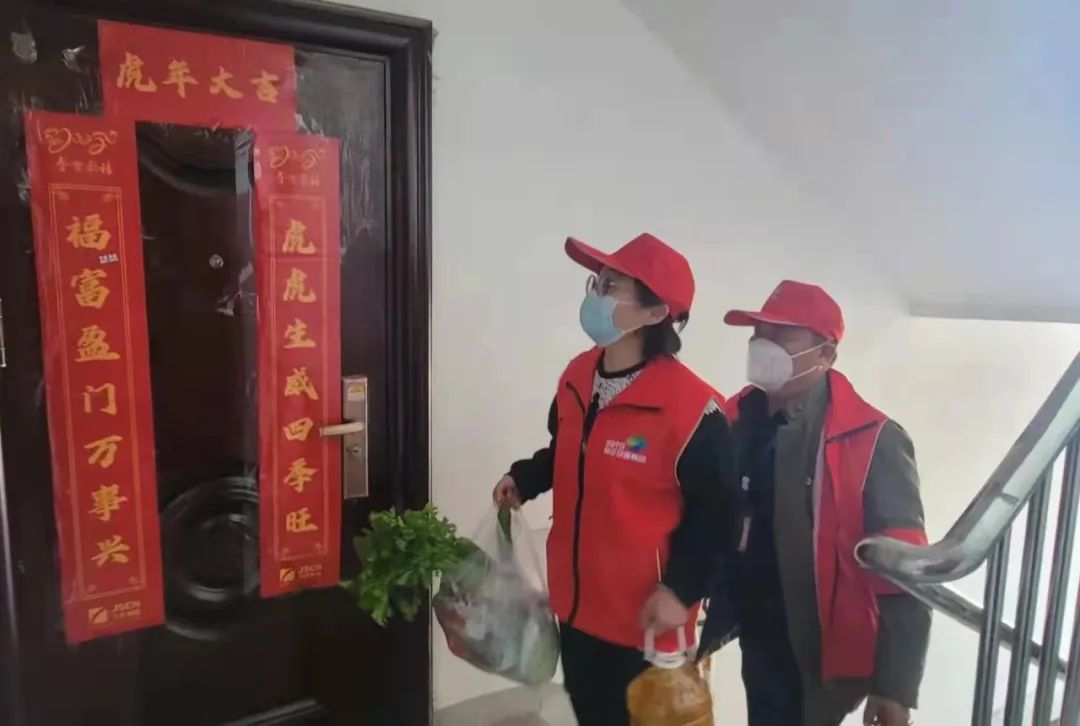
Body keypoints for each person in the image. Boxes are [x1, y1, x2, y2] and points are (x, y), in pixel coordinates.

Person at [492, 233, 738, 726]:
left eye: (611, 287)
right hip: (577, 606)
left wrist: (681, 590)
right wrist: (526, 478)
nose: (596, 296)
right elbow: (569, 450)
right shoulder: (577, 376)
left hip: (647, 620)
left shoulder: (693, 410)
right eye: (596, 283)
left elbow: (720, 517)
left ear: (654, 312)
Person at [699, 280, 931, 726]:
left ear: (826, 354)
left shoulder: (873, 439)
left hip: (819, 650)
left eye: (782, 336)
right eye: (759, 333)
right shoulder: (736, 417)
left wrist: (895, 686)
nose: (763, 345)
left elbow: (905, 573)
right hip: (755, 628)